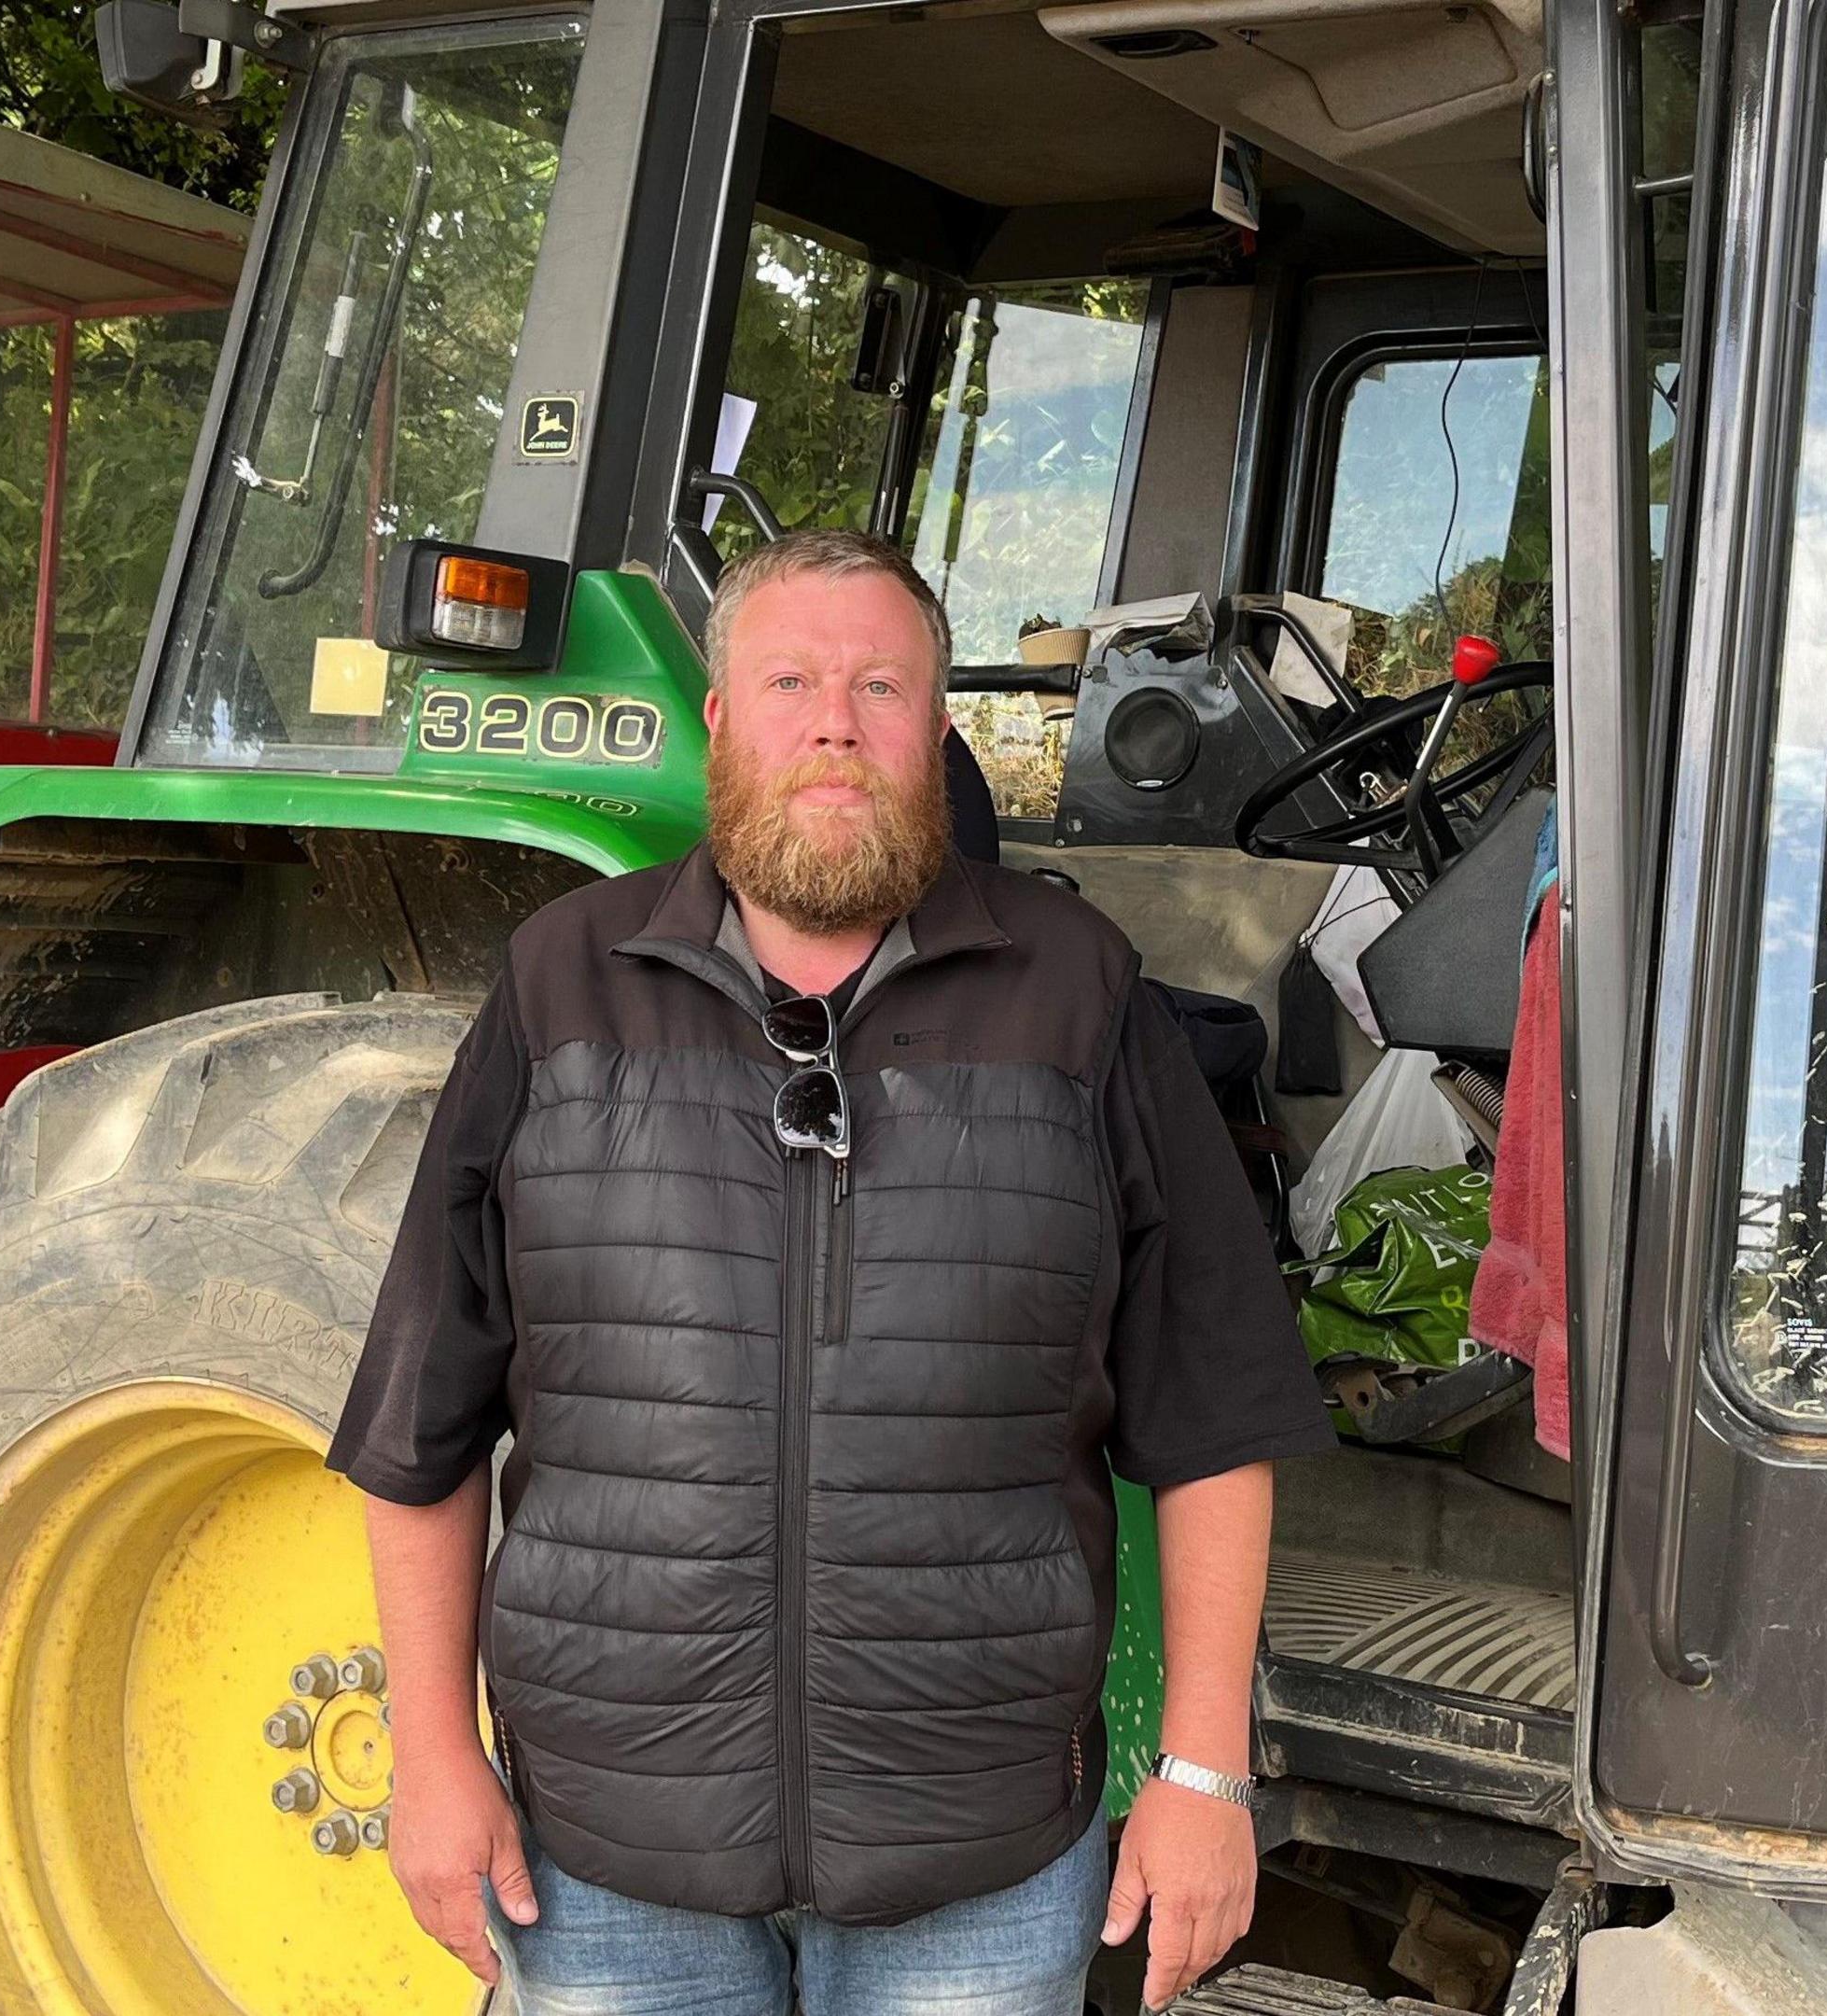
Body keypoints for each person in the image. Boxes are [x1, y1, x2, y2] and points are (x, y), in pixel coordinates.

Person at [327, 527, 1332, 2016]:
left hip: (976, 1873)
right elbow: (421, 1426)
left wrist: (1203, 1772)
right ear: (724, 719)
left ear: (938, 728)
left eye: (881, 686)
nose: (834, 725)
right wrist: (430, 1754)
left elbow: (1214, 1420)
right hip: (606, 1865)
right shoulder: (558, 986)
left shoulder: (1081, 996)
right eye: (790, 680)